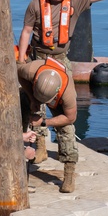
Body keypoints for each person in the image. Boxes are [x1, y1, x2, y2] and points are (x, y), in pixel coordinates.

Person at [17, 57, 79, 193]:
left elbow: (70, 118)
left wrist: (44, 122)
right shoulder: (30, 69)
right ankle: (24, 151)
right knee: (20, 102)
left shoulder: (67, 93)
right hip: (34, 93)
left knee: (66, 130)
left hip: (59, 101)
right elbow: (18, 74)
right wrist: (32, 98)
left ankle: (69, 173)